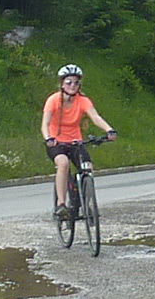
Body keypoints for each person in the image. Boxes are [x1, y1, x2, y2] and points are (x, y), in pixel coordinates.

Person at [41, 64, 115, 219]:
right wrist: (48, 138)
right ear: (62, 84)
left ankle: (85, 205)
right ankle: (61, 204)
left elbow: (95, 117)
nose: (72, 85)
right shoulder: (53, 100)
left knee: (88, 168)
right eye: (68, 82)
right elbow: (45, 124)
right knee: (63, 163)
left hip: (75, 142)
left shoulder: (82, 101)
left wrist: (109, 130)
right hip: (56, 143)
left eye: (76, 82)